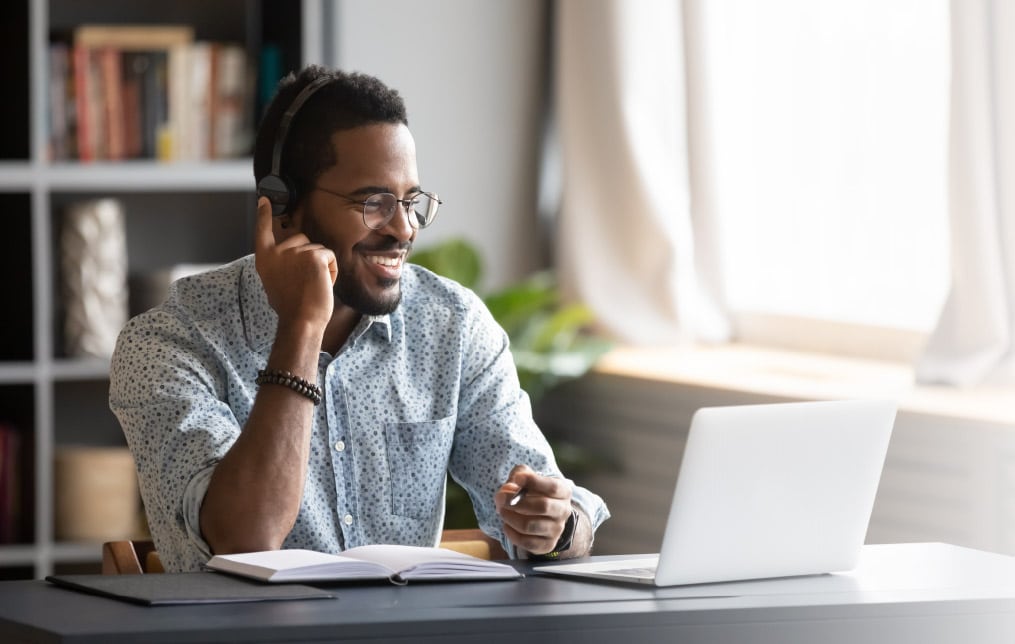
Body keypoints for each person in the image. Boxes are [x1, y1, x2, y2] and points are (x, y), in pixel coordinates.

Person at [109, 65, 609, 572]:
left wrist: (558, 524)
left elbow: (552, 508)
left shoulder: (452, 327)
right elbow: (245, 539)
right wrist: (302, 327)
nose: (403, 228)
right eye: (374, 203)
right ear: (282, 207)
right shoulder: (169, 342)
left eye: (411, 201)